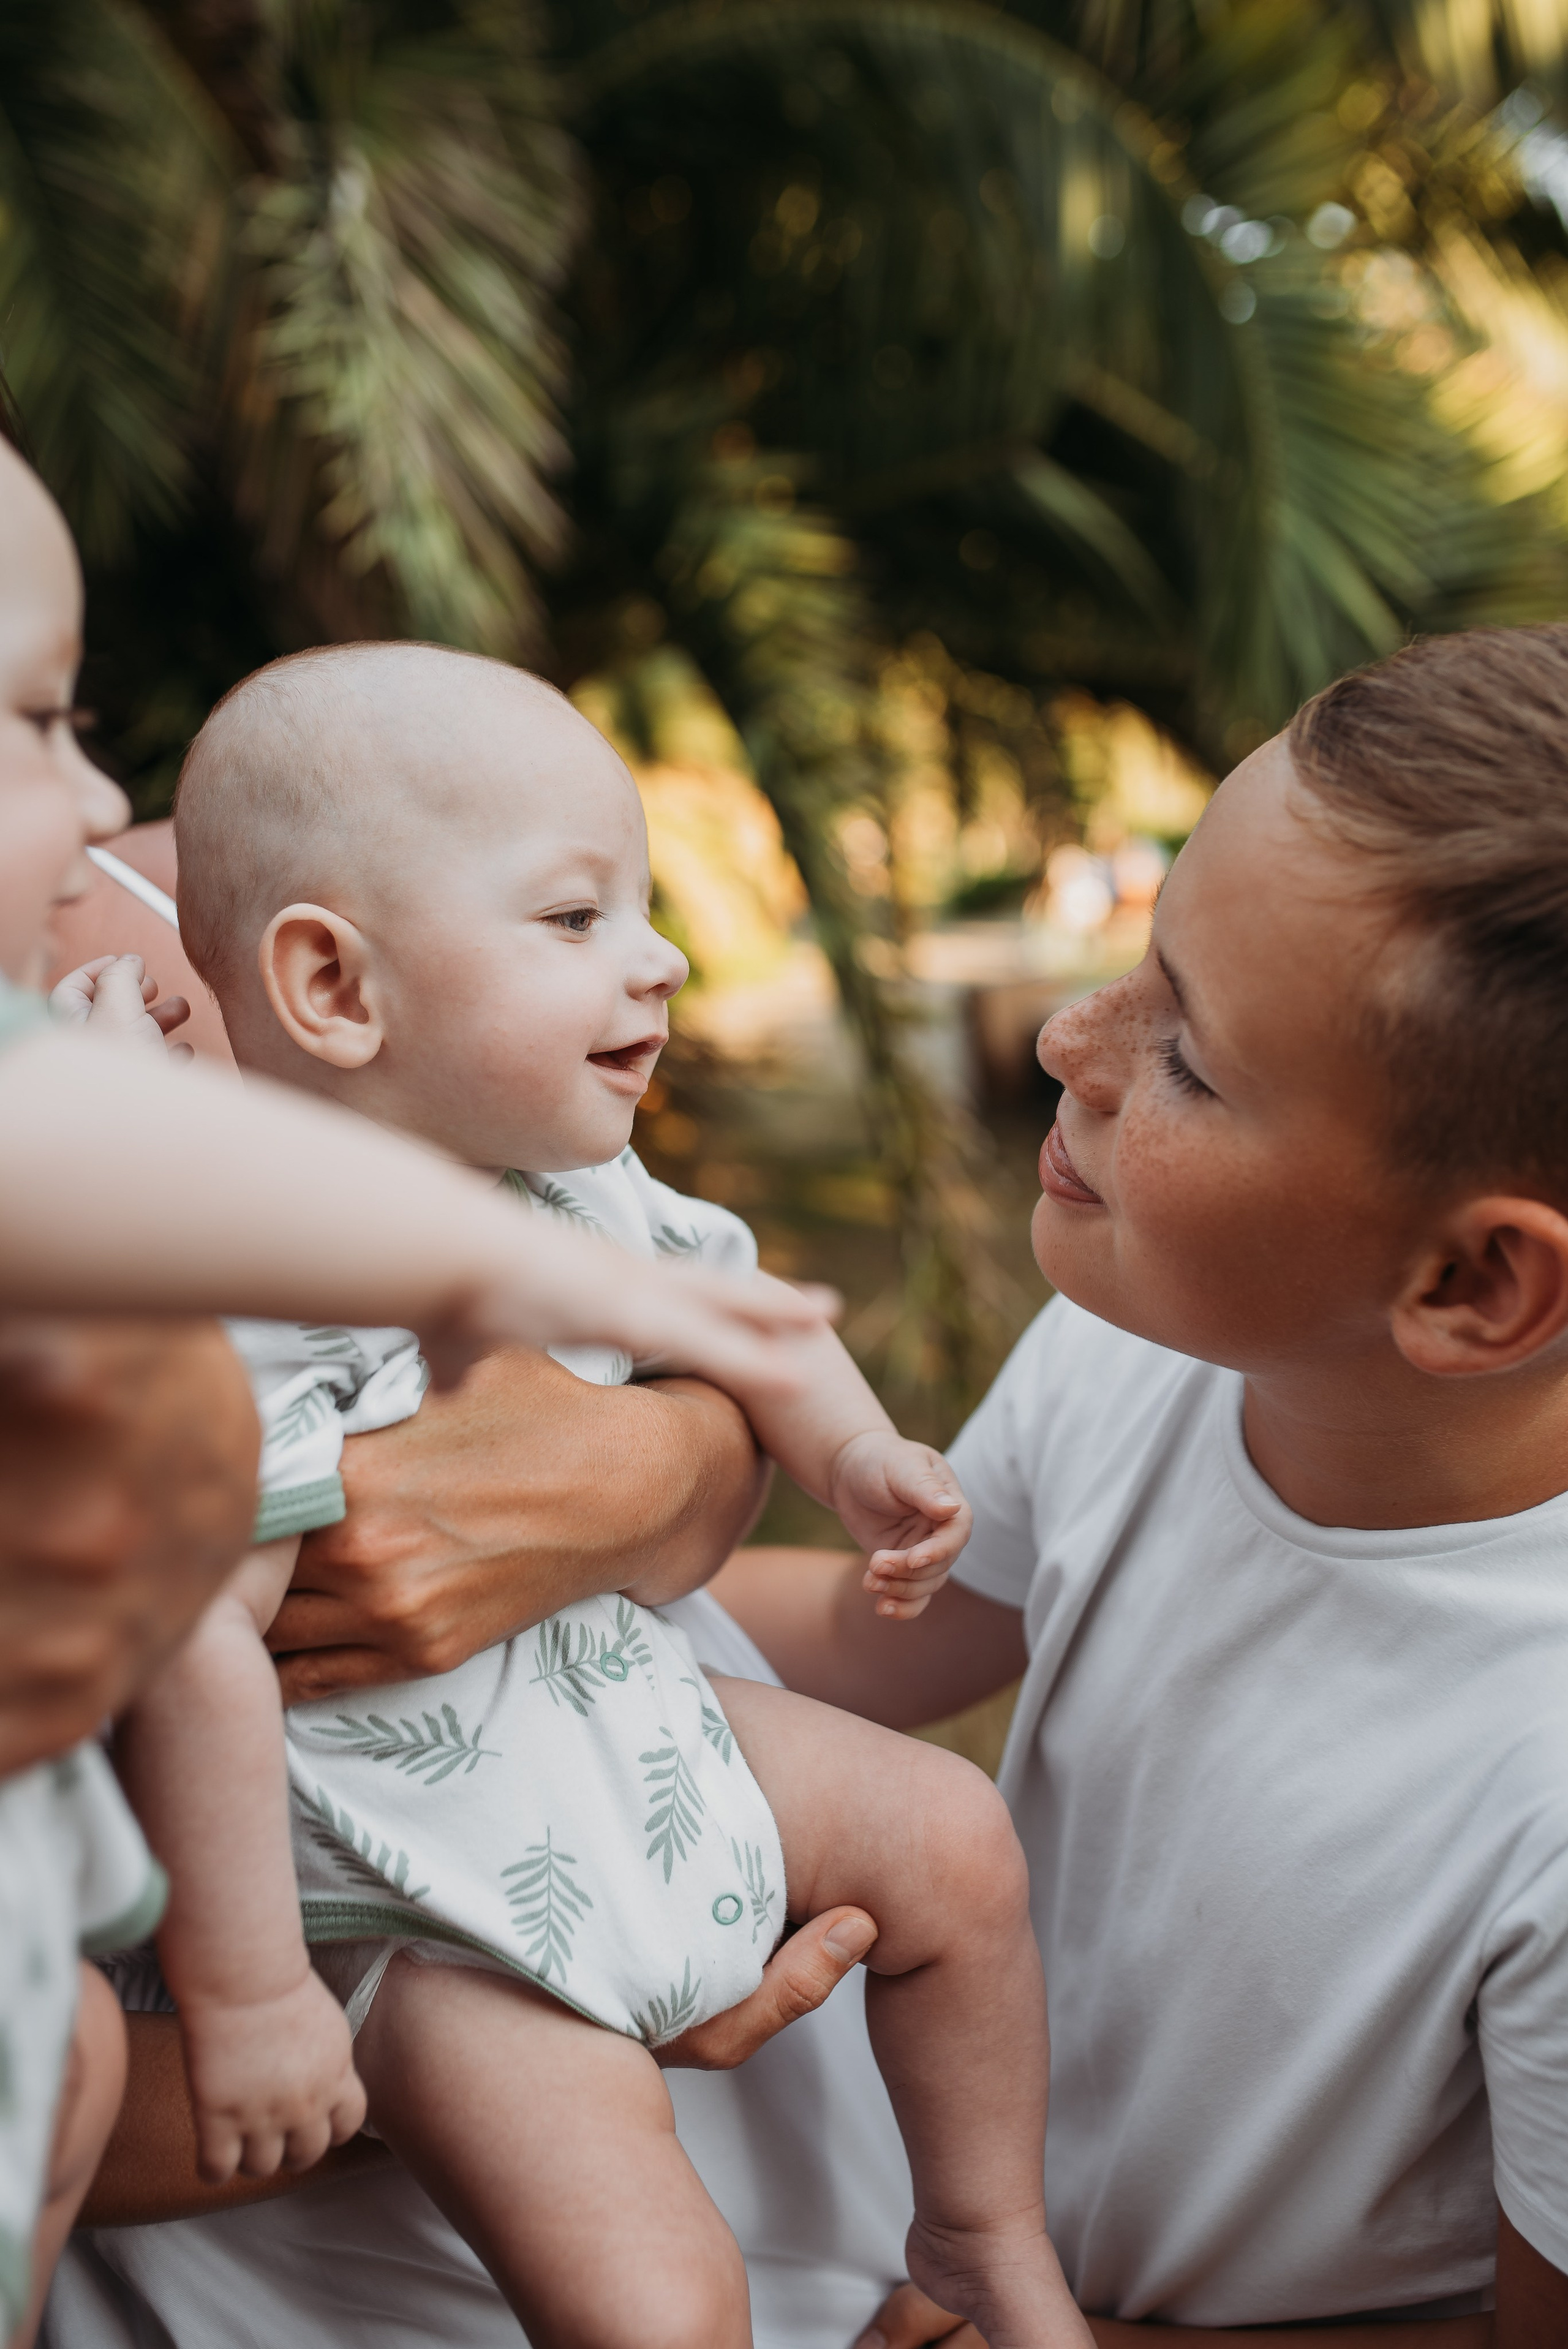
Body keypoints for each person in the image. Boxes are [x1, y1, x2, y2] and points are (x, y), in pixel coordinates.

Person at [110, 638, 1088, 2349]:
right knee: (655, 2299)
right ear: (336, 988)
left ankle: (983, 2230)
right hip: (423, 1894)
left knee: (950, 1832)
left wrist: (849, 1451)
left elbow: (736, 1321)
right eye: (575, 921)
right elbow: (199, 1653)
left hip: (619, 1717)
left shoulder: (577, 1181)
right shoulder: (230, 1271)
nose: (665, 957)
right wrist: (258, 1987)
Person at [0, 428, 835, 2349]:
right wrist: (502, 1999)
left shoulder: (162, 932)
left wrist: (638, 1461)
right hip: (358, 2055)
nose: (111, 790)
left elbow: (659, 1470)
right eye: (40, 719)